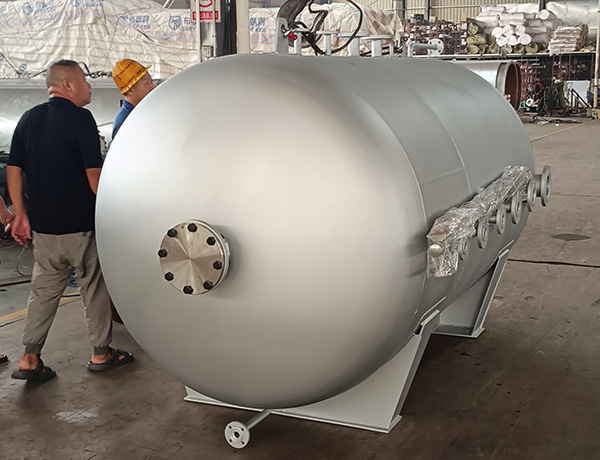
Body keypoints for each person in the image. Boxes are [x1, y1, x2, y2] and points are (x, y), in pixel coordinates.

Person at [7, 59, 134, 382]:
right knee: (93, 286)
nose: (89, 87)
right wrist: (121, 210)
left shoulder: (28, 119)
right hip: (80, 226)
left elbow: (14, 170)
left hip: (44, 227)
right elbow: (94, 178)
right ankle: (101, 353)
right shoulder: (81, 119)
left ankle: (30, 357)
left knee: (43, 291)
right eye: (84, 81)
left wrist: (20, 214)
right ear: (67, 85)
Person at [110, 59, 155, 141]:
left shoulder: (141, 111)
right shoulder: (124, 121)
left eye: (151, 82)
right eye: (146, 83)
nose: (152, 87)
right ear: (129, 90)